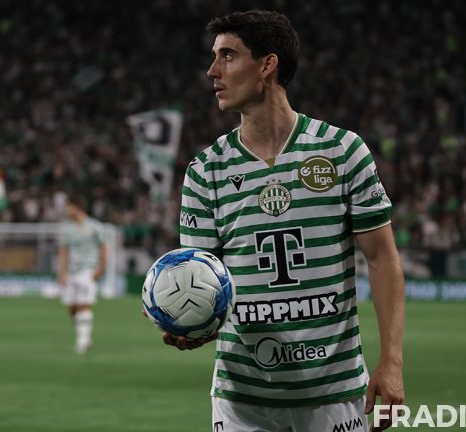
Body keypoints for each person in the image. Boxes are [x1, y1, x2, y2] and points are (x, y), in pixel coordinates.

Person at [172, 10, 405, 432]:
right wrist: (191, 326)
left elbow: (382, 259)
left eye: (228, 56)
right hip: (243, 401)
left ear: (267, 65)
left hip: (333, 393)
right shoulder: (206, 170)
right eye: (214, 57)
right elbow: (200, 280)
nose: (212, 71)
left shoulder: (342, 151)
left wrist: (391, 361)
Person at [57, 195, 108, 355]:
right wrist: (61, 273)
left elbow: (103, 248)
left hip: (88, 270)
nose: (67, 210)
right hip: (71, 272)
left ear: (77, 207)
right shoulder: (68, 229)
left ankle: (82, 341)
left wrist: (101, 268)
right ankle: (84, 335)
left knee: (83, 304)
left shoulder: (94, 226)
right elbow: (64, 252)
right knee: (71, 308)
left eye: (69, 206)